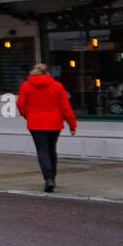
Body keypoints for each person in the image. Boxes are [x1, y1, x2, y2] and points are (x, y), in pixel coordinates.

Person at [16, 63, 77, 192]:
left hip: (35, 123)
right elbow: (66, 108)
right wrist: (72, 124)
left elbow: (20, 104)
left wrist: (29, 115)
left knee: (42, 150)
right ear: (48, 73)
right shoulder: (57, 86)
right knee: (51, 150)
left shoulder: (26, 86)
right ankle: (52, 178)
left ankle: (48, 178)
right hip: (54, 123)